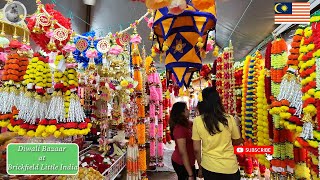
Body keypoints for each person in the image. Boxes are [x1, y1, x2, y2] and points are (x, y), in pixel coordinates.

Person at [192, 87, 243, 180]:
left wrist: (200, 167)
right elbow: (237, 141)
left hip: (209, 167)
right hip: (229, 167)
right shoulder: (229, 118)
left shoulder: (197, 121)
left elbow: (196, 149)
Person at [170, 102, 196, 180]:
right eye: (186, 109)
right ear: (181, 113)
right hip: (182, 163)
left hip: (189, 162)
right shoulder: (179, 129)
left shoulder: (188, 124)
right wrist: (190, 174)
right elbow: (183, 152)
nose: (189, 111)